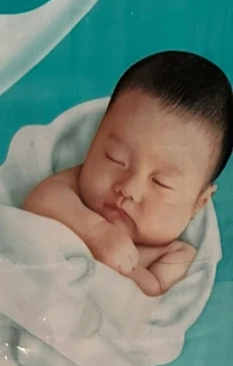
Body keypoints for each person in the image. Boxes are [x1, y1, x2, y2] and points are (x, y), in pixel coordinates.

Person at [23, 51, 232, 296]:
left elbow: (151, 299)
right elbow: (39, 199)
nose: (129, 188)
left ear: (199, 202)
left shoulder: (177, 254)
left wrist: (123, 267)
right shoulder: (74, 185)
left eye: (161, 182)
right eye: (115, 158)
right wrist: (96, 232)